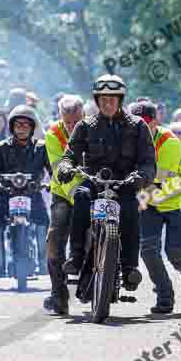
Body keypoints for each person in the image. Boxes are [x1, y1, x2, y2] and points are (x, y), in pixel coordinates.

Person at [56, 75, 156, 303]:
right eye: (103, 99)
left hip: (125, 183)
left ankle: (130, 268)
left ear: (120, 100)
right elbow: (69, 155)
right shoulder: (85, 125)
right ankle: (76, 256)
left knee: (130, 208)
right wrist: (65, 167)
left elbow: (149, 162)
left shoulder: (138, 126)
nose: (107, 103)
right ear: (96, 101)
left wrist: (141, 177)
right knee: (81, 196)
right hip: (94, 181)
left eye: (112, 99)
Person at [130, 102, 181, 314]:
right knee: (148, 250)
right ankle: (165, 296)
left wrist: (136, 199)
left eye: (146, 122)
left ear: (155, 121)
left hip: (177, 201)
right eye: (136, 123)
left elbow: (156, 180)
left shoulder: (169, 141)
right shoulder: (128, 140)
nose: (141, 127)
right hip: (150, 202)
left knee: (175, 252)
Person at [0, 105, 49, 285]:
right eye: (18, 124)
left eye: (26, 124)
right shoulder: (0, 147)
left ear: (32, 127)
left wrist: (55, 181)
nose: (22, 128)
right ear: (11, 127)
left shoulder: (42, 147)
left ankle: (46, 264)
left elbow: (53, 170)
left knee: (44, 222)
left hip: (33, 194)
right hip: (6, 195)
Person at [42, 95, 84, 313]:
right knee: (54, 241)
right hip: (64, 193)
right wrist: (78, 195)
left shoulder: (94, 127)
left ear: (84, 115)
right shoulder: (53, 134)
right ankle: (58, 294)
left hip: (92, 190)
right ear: (60, 117)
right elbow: (59, 170)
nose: (72, 126)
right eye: (67, 122)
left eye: (76, 121)